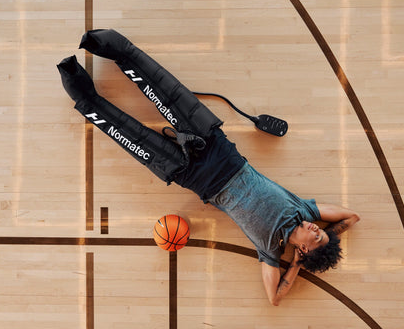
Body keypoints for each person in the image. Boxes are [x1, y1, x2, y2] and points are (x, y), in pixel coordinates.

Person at [58, 29, 360, 306]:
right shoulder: (303, 211)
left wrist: (296, 265)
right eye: (320, 231)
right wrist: (328, 238)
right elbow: (351, 217)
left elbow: (275, 297)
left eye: (316, 237)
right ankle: (104, 44)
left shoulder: (271, 249)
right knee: (162, 88)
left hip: (190, 174)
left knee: (123, 129)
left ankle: (76, 83)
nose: (315, 228)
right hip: (215, 146)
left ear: (304, 250)